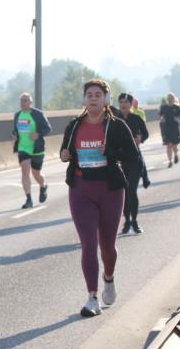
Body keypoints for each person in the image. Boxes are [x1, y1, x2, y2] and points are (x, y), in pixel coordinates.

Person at [59, 79, 141, 317]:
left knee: (107, 246)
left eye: (98, 94)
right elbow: (65, 152)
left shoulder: (116, 126)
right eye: (89, 94)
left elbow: (133, 156)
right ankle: (92, 298)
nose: (93, 98)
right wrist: (64, 155)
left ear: (106, 99)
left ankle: (109, 278)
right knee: (88, 244)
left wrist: (111, 152)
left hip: (110, 190)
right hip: (81, 188)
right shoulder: (74, 125)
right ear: (84, 99)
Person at [12, 92, 52, 209]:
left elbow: (48, 128)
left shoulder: (38, 114)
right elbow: (15, 130)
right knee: (25, 170)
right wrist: (14, 135)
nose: (23, 103)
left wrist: (38, 134)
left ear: (30, 102)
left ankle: (43, 185)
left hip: (36, 148)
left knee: (36, 173)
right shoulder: (17, 115)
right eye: (21, 100)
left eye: (25, 100)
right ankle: (28, 199)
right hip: (23, 147)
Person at [116, 93, 149, 234]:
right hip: (119, 160)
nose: (123, 104)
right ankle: (126, 221)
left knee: (132, 191)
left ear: (131, 104)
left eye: (126, 102)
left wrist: (140, 138)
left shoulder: (136, 118)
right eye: (121, 102)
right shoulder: (114, 120)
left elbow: (146, 134)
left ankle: (134, 221)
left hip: (134, 159)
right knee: (123, 192)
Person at [159, 93, 180, 167]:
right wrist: (162, 118)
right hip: (167, 128)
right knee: (168, 145)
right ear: (167, 99)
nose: (170, 99)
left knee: (174, 145)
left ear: (174, 99)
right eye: (169, 98)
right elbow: (160, 115)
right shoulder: (164, 107)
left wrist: (177, 118)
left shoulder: (177, 107)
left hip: (175, 128)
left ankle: (176, 155)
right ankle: (170, 161)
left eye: (171, 98)